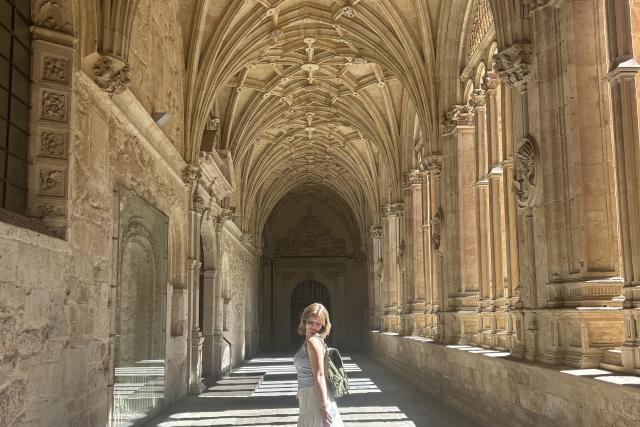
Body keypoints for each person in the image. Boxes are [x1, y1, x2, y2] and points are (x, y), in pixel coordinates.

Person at [293, 303, 344, 427]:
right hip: (310, 395)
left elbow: (320, 375)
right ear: (304, 321)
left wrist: (323, 406)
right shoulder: (314, 341)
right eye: (311, 322)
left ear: (323, 325)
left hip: (314, 397)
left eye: (318, 323)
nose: (314, 327)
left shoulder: (313, 342)